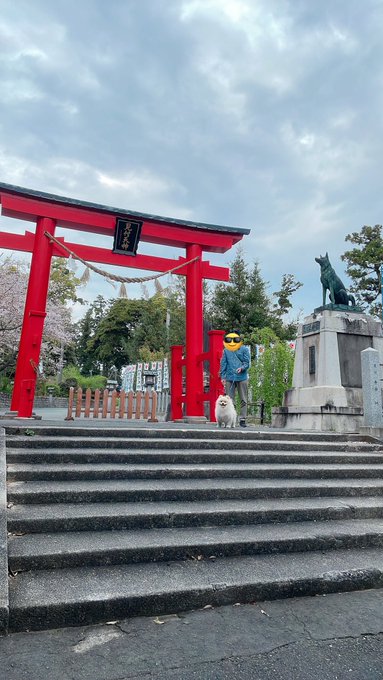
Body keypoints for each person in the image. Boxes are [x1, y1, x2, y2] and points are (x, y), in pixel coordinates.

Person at [219, 330, 250, 427]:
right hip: (229, 377)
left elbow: (247, 362)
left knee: (243, 399)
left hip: (242, 377)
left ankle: (243, 419)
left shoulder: (244, 349)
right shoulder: (226, 350)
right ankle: (232, 419)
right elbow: (223, 363)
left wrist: (242, 368)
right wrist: (223, 376)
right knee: (230, 399)